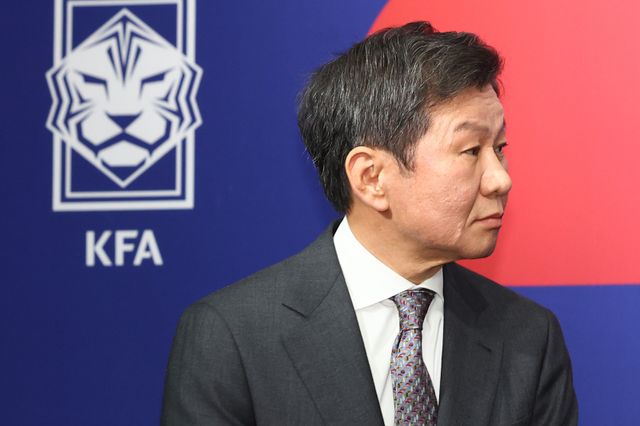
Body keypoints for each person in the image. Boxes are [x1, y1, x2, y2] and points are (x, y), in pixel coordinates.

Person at [162, 22, 578, 425]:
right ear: (370, 177)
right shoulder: (232, 336)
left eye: (499, 148)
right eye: (471, 150)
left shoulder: (528, 337)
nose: (501, 179)